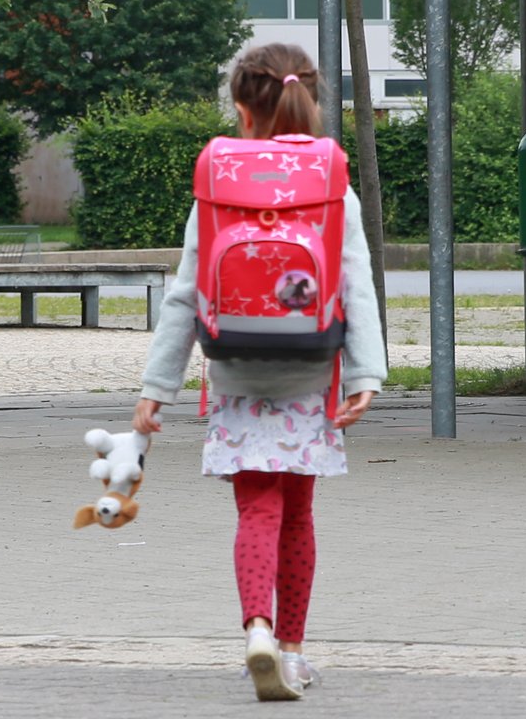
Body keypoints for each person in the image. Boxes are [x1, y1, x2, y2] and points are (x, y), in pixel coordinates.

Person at [133, 42, 385, 702]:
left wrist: (154, 390)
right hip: (309, 373)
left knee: (256, 509)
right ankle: (295, 653)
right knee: (298, 514)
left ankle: (257, 630)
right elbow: (356, 286)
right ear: (311, 101)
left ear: (244, 109)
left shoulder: (218, 182)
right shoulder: (333, 183)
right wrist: (367, 374)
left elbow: (186, 293)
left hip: (236, 372)